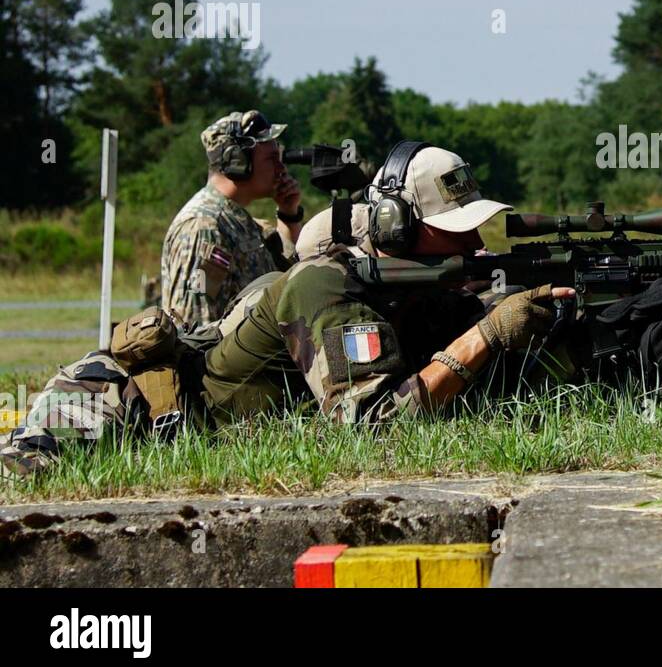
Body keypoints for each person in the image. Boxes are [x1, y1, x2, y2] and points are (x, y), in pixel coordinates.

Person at [0, 141, 570, 477]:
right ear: (396, 230)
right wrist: (487, 336)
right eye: (456, 231)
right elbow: (370, 431)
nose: (474, 245)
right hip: (122, 407)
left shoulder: (413, 291)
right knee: (20, 485)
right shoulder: (323, 286)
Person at [160, 110, 304, 328]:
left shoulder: (237, 221)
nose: (281, 168)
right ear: (237, 161)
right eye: (271, 159)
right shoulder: (204, 227)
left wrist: (288, 213)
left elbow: (283, 280)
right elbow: (193, 331)